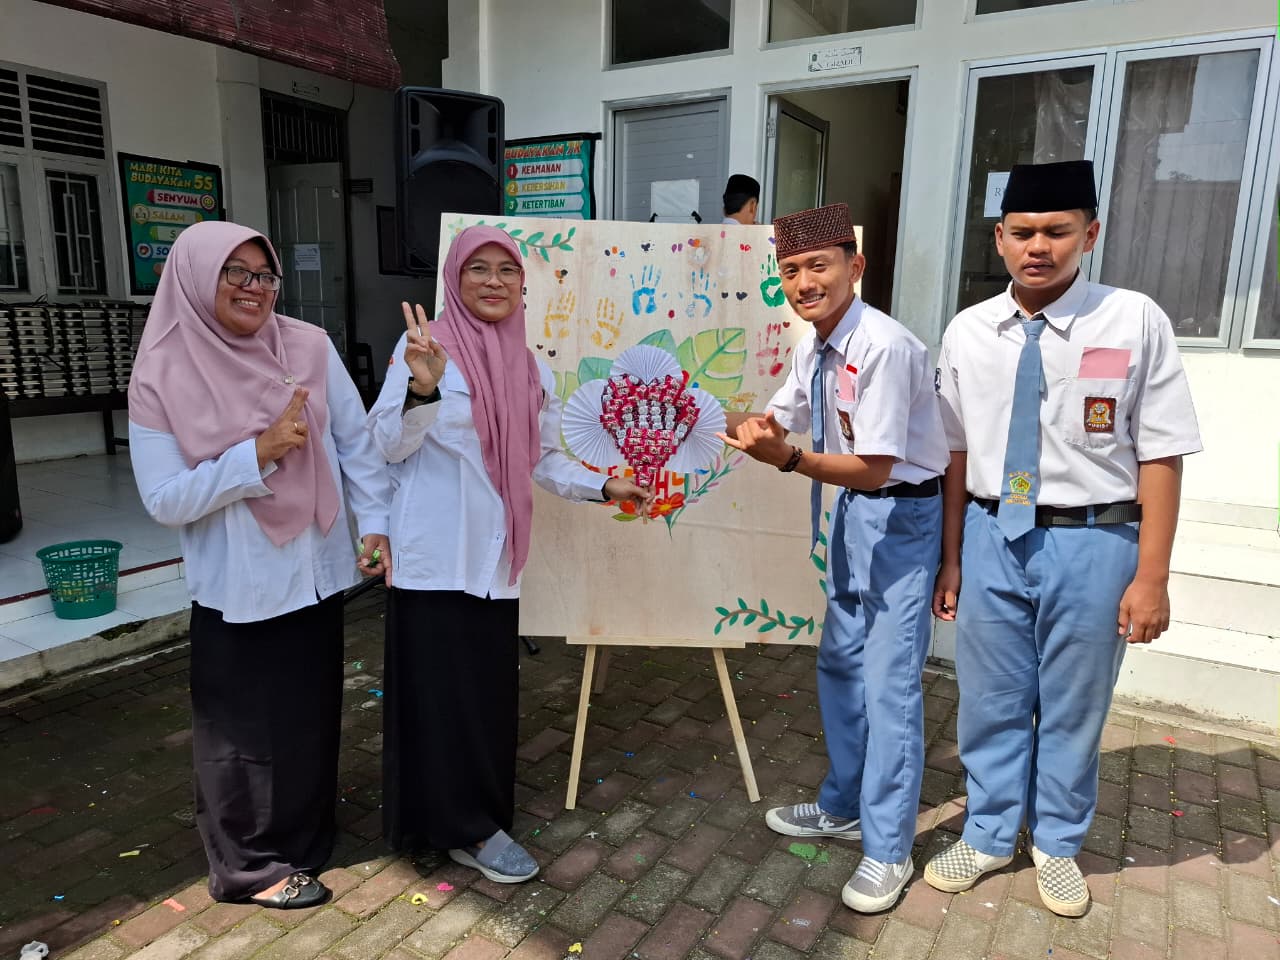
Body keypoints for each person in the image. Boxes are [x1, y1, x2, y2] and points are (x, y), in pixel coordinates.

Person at [923, 160, 1201, 917]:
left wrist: (1152, 576)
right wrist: (952, 557)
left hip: (1095, 541)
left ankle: (1056, 843)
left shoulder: (1133, 320)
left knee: (1075, 707)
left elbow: (1162, 454)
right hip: (992, 536)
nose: (1038, 246)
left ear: (1090, 233)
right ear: (999, 239)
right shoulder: (969, 331)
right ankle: (987, 833)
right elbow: (954, 452)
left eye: (1057, 231)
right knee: (989, 700)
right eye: (1023, 232)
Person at [369, 225, 652, 883]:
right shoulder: (423, 348)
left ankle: (474, 823)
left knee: (483, 699)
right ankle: (448, 827)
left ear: (523, 283)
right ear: (454, 277)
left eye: (507, 269)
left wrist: (604, 485)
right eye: (478, 268)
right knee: (434, 698)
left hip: (495, 560)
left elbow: (542, 460)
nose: (493, 281)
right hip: (435, 557)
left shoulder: (532, 368)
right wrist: (422, 391)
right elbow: (386, 445)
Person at [129, 220, 391, 909]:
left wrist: (377, 524)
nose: (254, 287)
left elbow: (356, 443)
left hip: (317, 566)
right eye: (235, 272)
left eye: (264, 274)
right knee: (239, 730)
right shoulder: (162, 371)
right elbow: (164, 498)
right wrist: (257, 455)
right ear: (195, 276)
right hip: (239, 582)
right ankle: (248, 867)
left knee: (309, 711)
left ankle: (303, 838)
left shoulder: (307, 345)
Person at [721, 202, 949, 912]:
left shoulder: (883, 347)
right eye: (790, 270)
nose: (804, 283)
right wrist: (682, 408)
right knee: (841, 663)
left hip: (901, 515)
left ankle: (889, 848)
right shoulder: (813, 346)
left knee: (889, 684)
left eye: (818, 266)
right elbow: (773, 421)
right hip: (854, 512)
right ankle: (845, 805)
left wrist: (787, 460)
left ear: (856, 267)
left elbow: (876, 468)